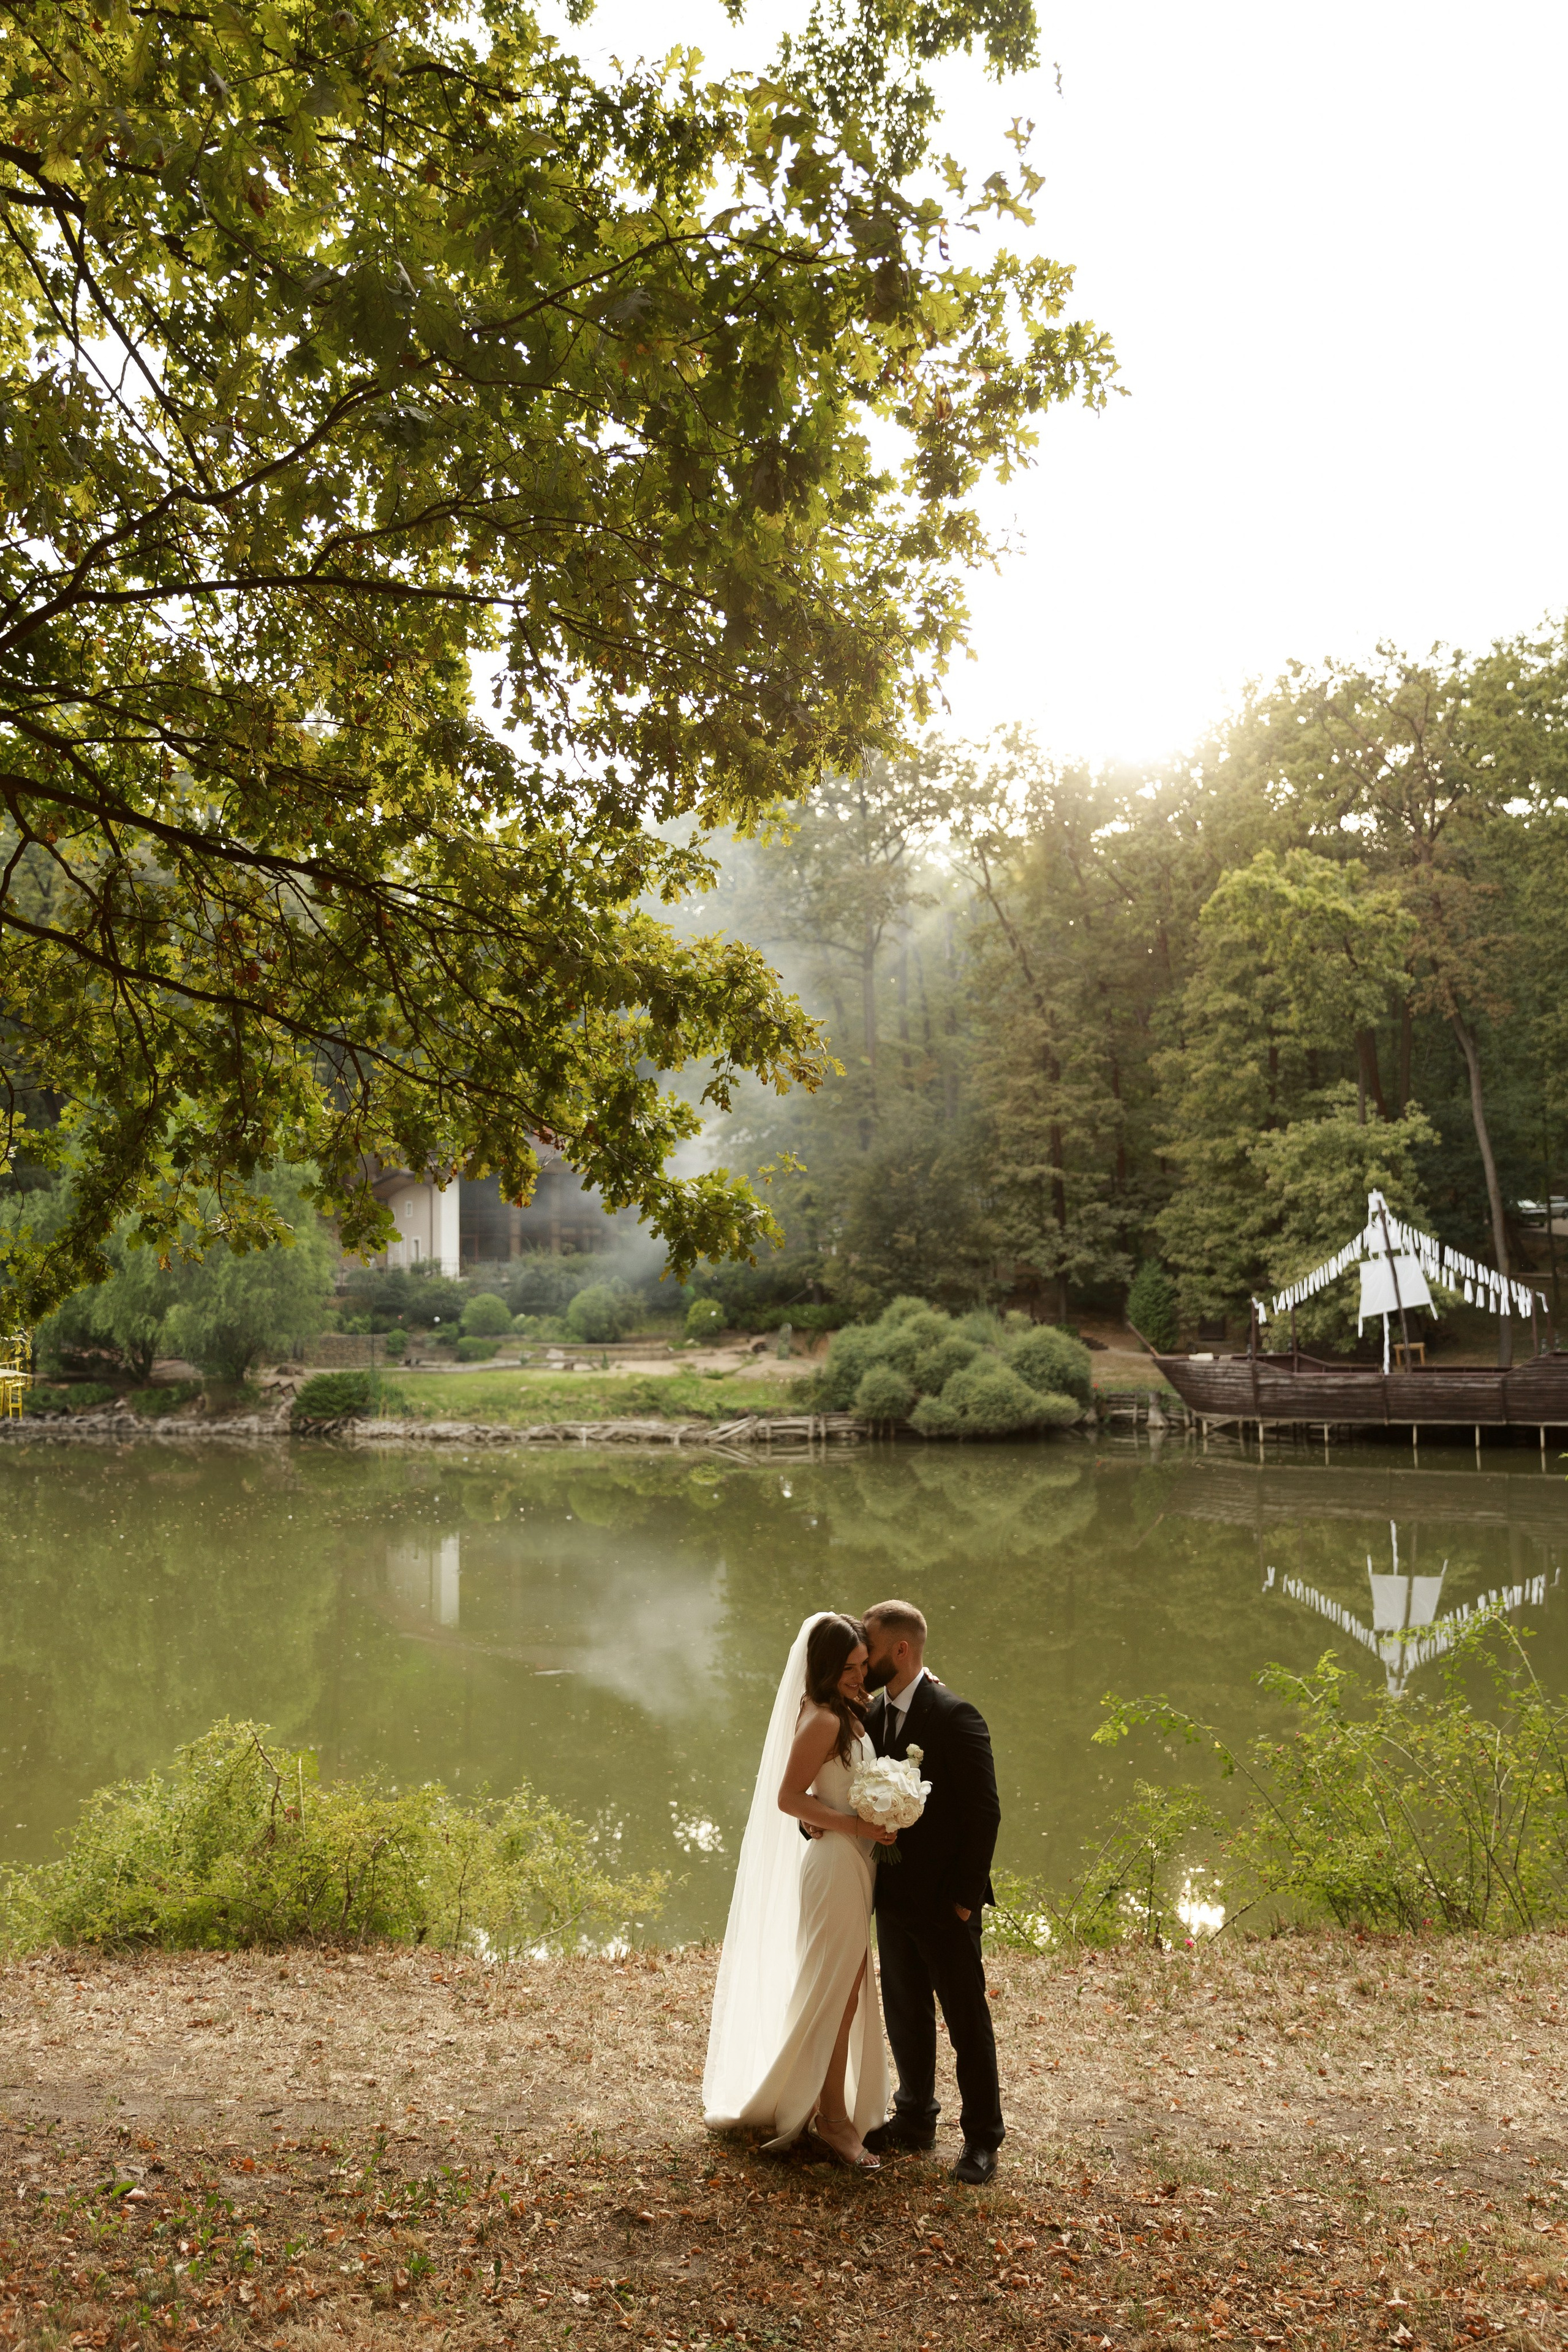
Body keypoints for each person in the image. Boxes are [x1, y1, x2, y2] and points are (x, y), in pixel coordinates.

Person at [702, 1613, 895, 2166]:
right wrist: (860, 1826)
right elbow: (790, 1798)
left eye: (865, 1665)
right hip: (836, 1864)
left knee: (847, 1991)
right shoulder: (824, 1721)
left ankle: (826, 2106)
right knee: (837, 1994)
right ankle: (832, 2120)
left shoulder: (839, 1711)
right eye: (853, 1668)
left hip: (851, 1860)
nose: (863, 1676)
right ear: (828, 1667)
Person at [859, 1598, 1004, 2184]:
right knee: (905, 2012)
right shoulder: (868, 1716)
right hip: (891, 1898)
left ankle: (982, 2139)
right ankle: (915, 2117)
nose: (859, 1658)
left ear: (900, 1649)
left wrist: (965, 1898)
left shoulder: (954, 1714)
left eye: (867, 1646)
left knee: (966, 2018)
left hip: (947, 1901)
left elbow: (984, 1813)